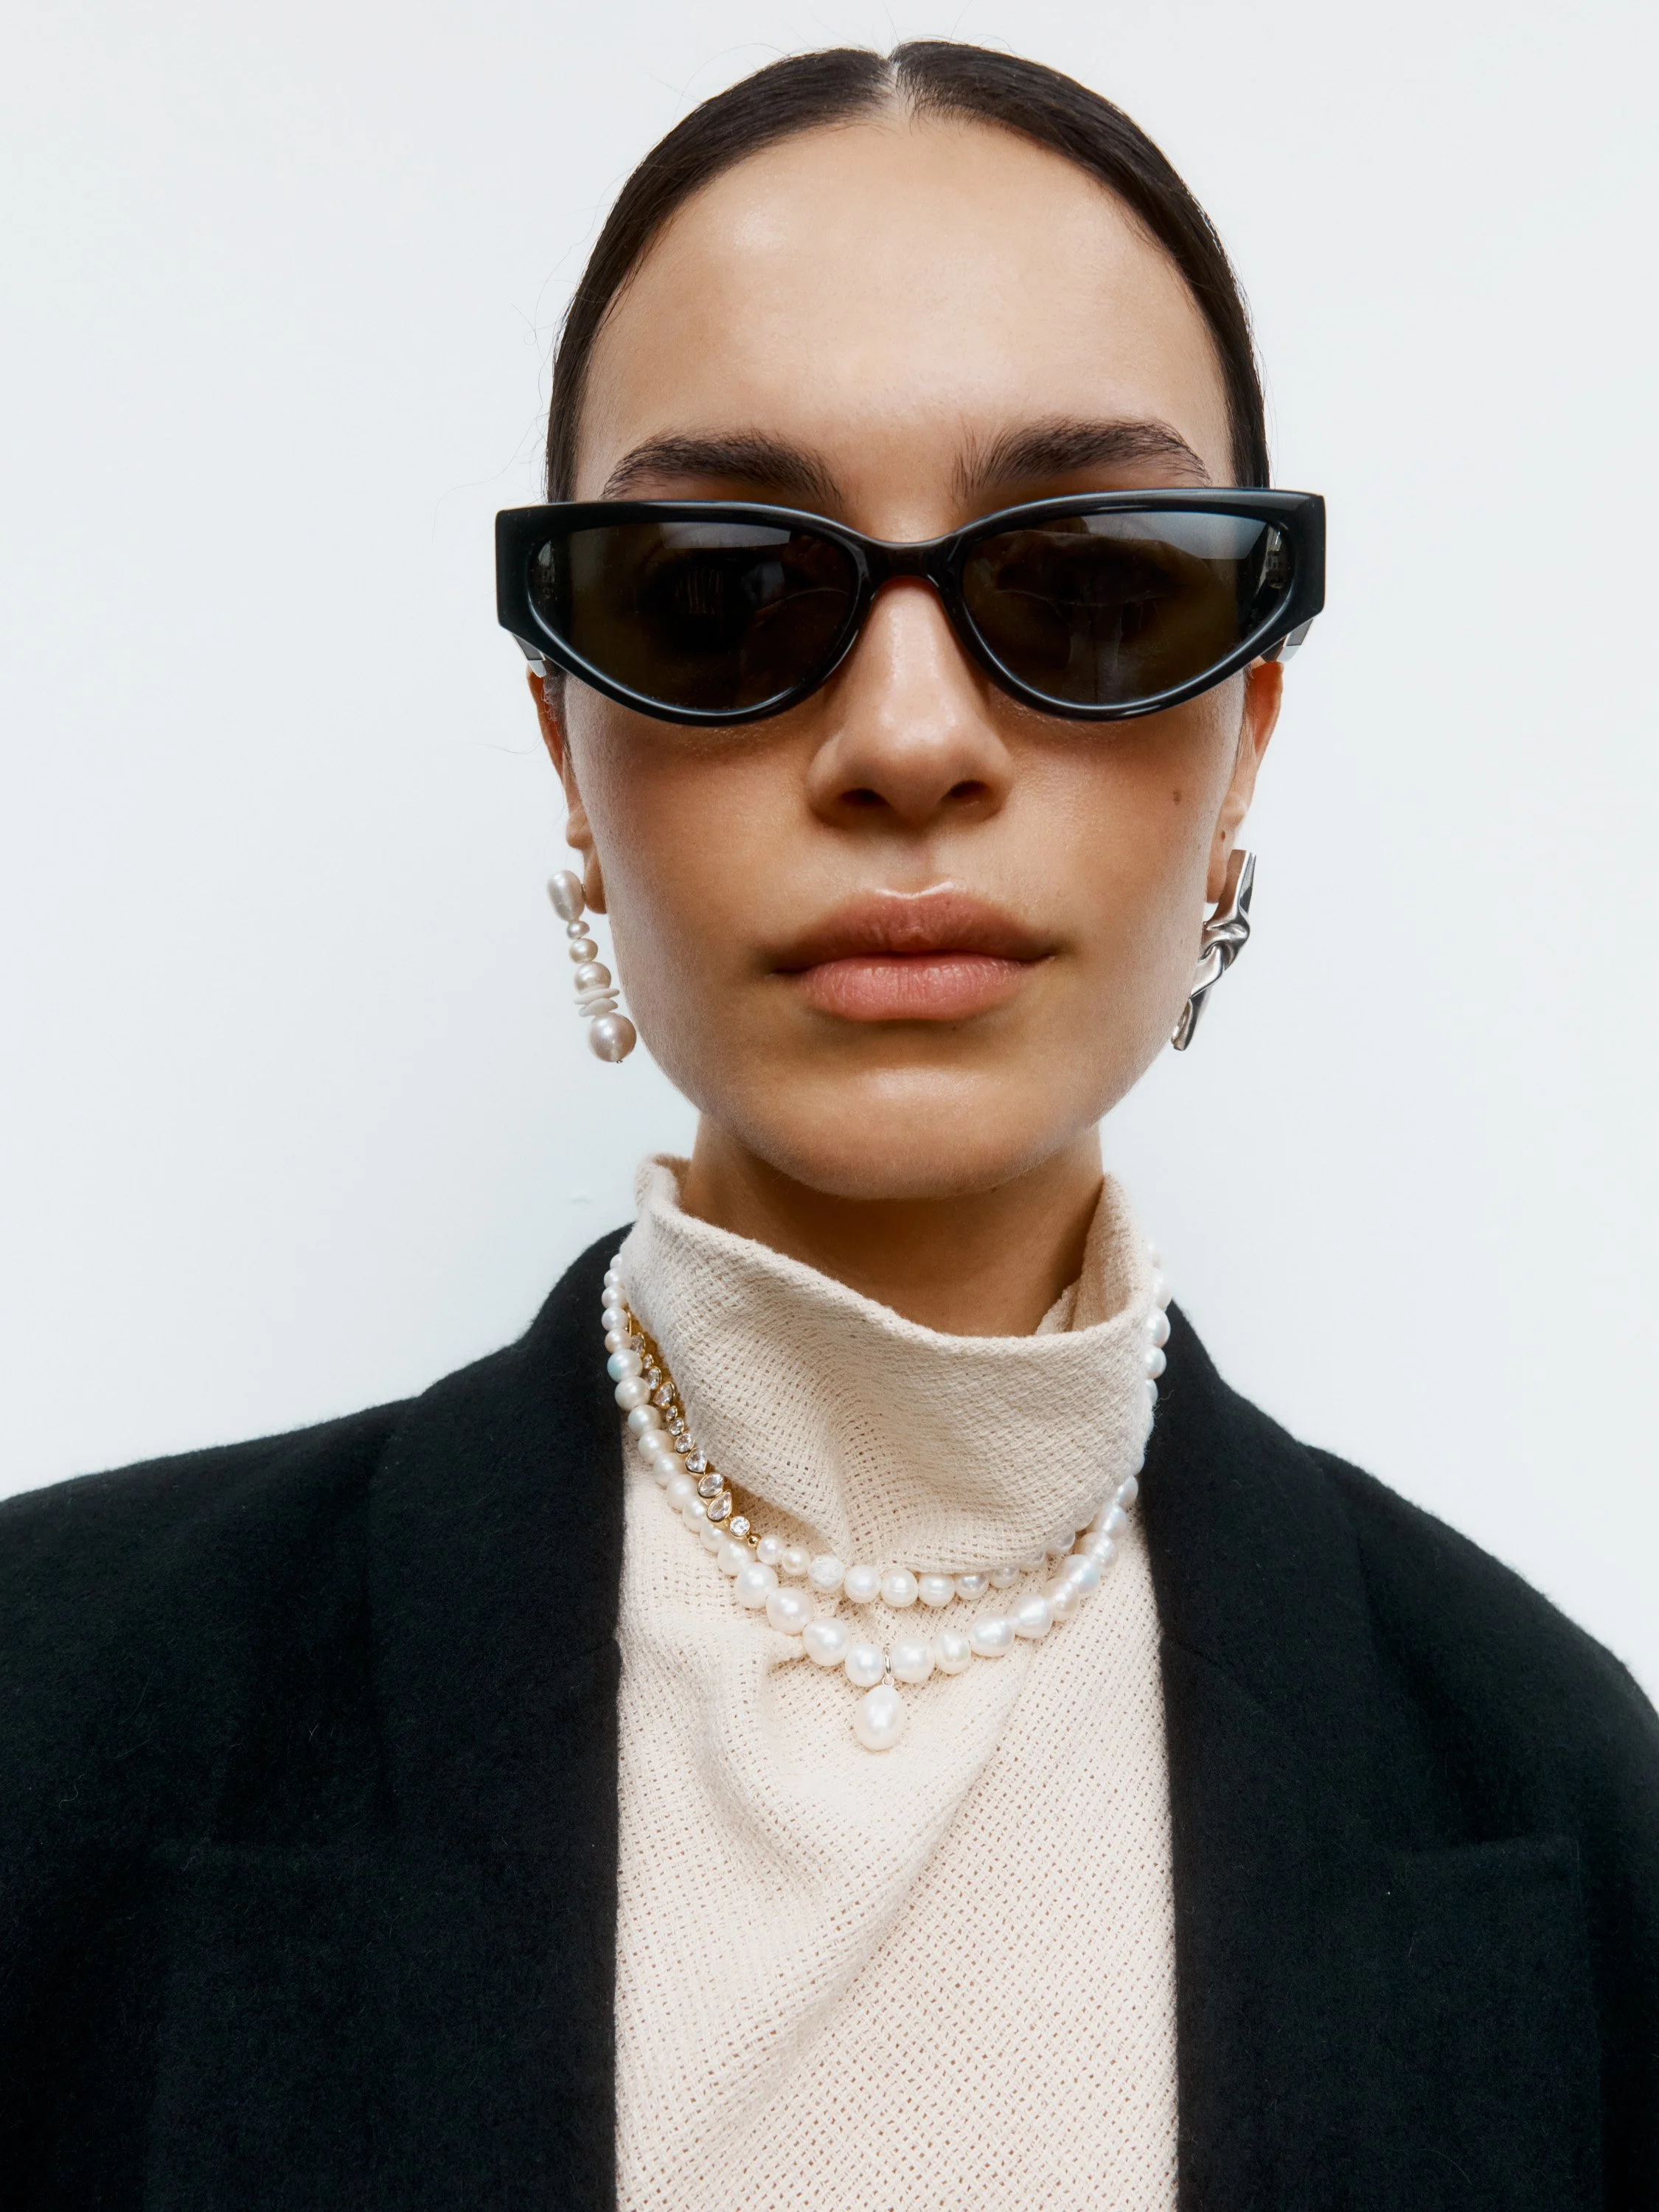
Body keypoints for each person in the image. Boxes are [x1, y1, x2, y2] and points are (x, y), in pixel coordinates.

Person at [1, 40, 1654, 2212]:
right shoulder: (52, 1718)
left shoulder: (1565, 1798)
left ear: (1248, 730)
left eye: (1086, 583)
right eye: (715, 595)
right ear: (564, 741)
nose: (905, 739)